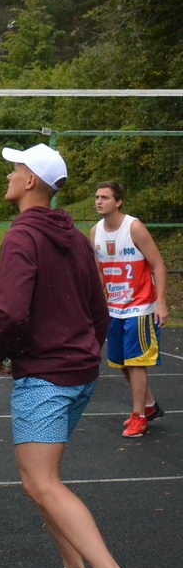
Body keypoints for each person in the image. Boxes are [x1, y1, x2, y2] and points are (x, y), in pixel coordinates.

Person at [0, 143, 147, 568]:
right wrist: (87, 347)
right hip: (78, 370)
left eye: (16, 169)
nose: (11, 176)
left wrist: (3, 352)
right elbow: (99, 305)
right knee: (38, 479)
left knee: (42, 482)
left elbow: (12, 312)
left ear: (32, 181)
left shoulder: (21, 238)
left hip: (46, 374)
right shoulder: (75, 236)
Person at [90, 182, 168, 438]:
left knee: (136, 363)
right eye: (97, 197)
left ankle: (139, 417)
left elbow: (158, 264)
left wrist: (161, 302)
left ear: (118, 201)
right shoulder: (95, 232)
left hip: (140, 307)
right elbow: (99, 272)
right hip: (114, 309)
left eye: (105, 197)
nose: (99, 201)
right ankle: (149, 406)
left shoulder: (133, 227)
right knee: (121, 362)